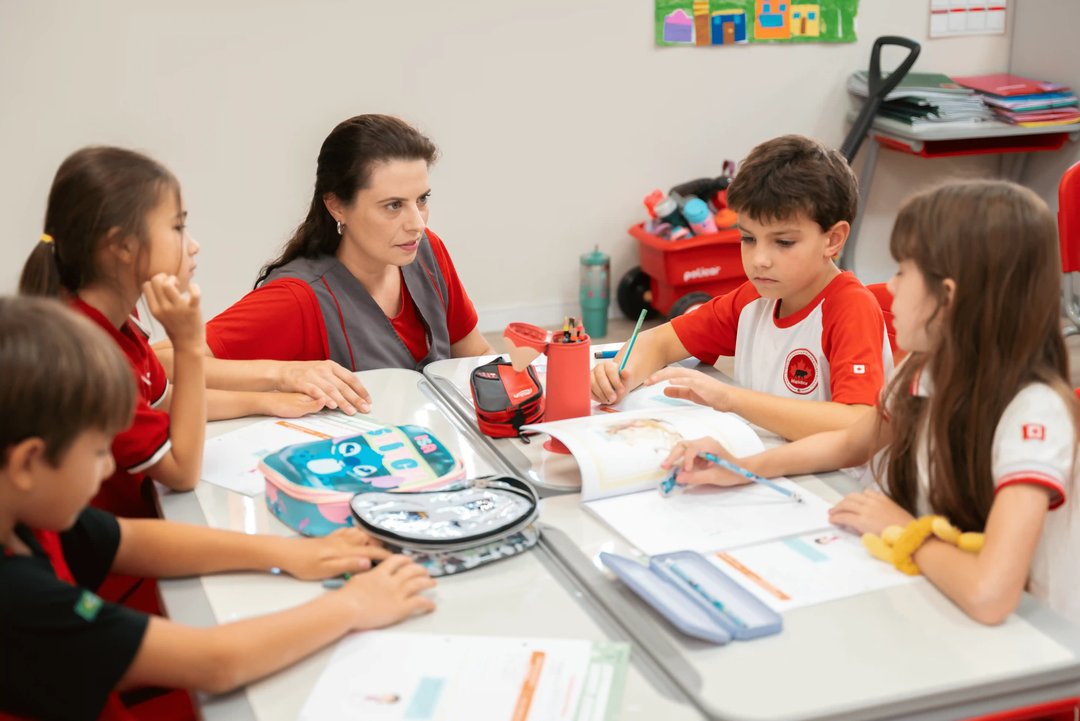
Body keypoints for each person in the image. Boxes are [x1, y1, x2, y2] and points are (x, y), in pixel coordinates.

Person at [0, 296, 435, 721]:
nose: (109, 466)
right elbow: (214, 663)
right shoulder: (20, 598)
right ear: (27, 463)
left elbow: (127, 540)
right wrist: (354, 605)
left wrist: (288, 552)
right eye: (99, 452)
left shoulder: (25, 513)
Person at [664, 181, 1078, 626]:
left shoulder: (1034, 413)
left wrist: (903, 530)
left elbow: (990, 596)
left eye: (903, 271)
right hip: (936, 596)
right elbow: (850, 443)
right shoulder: (924, 366)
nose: (890, 287)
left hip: (1037, 638)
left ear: (948, 297)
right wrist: (743, 467)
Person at [19, 146, 322, 520]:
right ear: (123, 246)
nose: (193, 245)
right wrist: (188, 345)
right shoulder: (88, 354)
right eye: (178, 228)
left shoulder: (116, 321)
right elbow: (181, 470)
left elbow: (164, 401)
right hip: (118, 543)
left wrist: (267, 402)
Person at [156, 114, 492, 413]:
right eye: (393, 205)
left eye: (421, 200)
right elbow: (158, 361)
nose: (416, 223)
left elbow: (476, 357)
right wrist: (284, 374)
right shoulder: (299, 298)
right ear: (336, 206)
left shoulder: (427, 251)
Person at [591, 135, 893, 440]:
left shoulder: (849, 308)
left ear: (833, 240)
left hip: (825, 471)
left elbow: (857, 422)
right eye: (748, 238)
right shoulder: (754, 299)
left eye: (783, 242)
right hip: (761, 457)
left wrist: (732, 399)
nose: (759, 260)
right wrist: (620, 375)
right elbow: (660, 341)